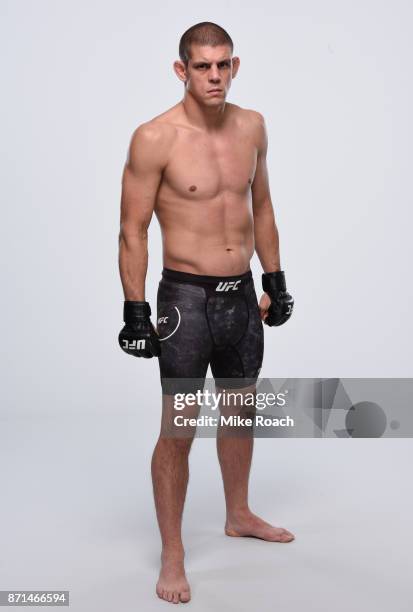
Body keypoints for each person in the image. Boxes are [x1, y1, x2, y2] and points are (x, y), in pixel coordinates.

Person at [118, 21, 295, 605]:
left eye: (223, 65)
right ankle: (173, 553)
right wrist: (136, 310)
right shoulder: (154, 137)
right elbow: (132, 229)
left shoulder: (252, 127)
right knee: (180, 427)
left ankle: (238, 513)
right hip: (184, 300)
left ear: (234, 66)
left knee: (241, 412)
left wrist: (276, 279)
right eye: (202, 66)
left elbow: (261, 205)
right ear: (182, 70)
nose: (214, 76)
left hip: (242, 296)